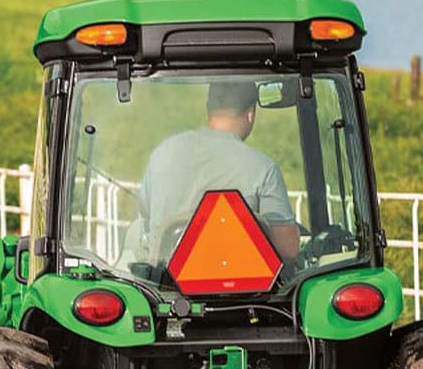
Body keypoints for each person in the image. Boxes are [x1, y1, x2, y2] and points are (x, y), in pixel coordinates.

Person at [127, 82, 299, 266]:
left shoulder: (162, 153)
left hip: (166, 287)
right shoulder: (264, 168)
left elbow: (145, 211)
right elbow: (288, 247)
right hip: (243, 287)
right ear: (250, 114)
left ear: (208, 109)